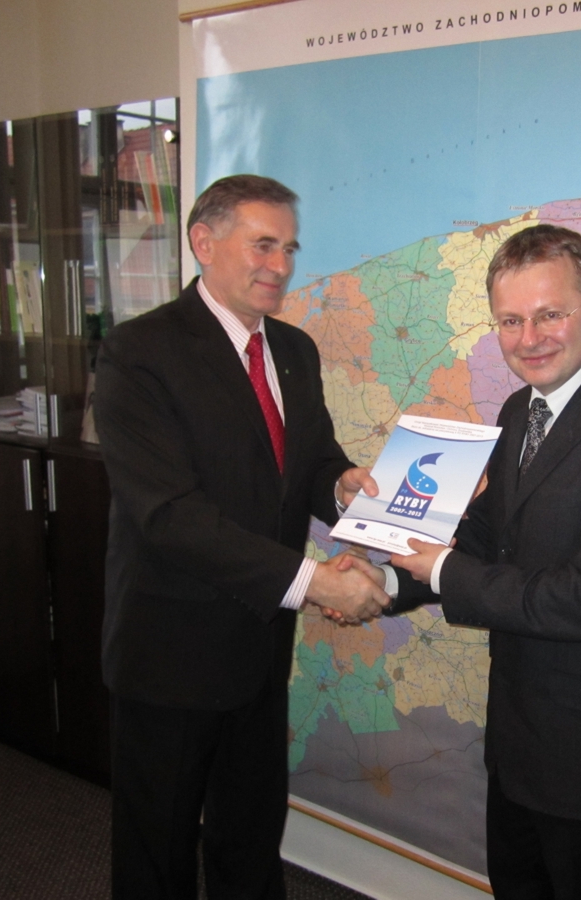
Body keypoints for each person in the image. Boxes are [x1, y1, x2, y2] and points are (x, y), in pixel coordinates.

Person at [94, 174, 388, 899]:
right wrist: (314, 583)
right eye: (263, 245)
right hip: (171, 652)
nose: (280, 265)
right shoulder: (138, 352)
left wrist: (341, 485)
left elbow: (307, 462)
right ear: (204, 242)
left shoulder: (293, 349)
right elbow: (170, 515)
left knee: (250, 835)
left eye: (289, 248)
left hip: (259, 645)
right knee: (157, 848)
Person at [379, 224, 581, 899]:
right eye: (510, 320)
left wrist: (442, 572)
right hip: (519, 736)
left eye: (550, 314)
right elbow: (490, 536)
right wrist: (386, 579)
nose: (529, 339)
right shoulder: (521, 409)